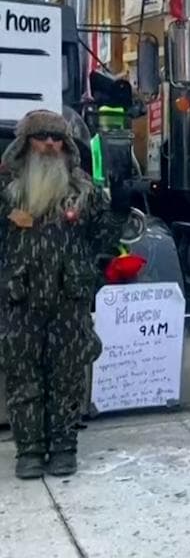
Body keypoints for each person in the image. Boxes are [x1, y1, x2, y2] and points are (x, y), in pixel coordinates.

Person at [0, 109, 131, 479]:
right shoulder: (5, 191)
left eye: (57, 138)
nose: (50, 145)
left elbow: (103, 238)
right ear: (25, 142)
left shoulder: (84, 190)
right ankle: (29, 450)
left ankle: (63, 447)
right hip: (18, 299)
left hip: (69, 299)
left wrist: (118, 210)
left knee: (67, 375)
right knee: (23, 376)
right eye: (42, 137)